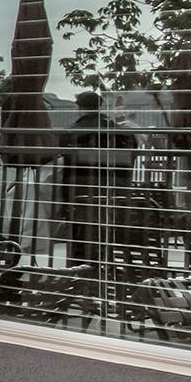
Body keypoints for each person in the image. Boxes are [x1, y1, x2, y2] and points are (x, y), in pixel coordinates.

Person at [55, 90, 138, 267]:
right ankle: (102, 268)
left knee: (79, 240)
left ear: (78, 108)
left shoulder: (72, 133)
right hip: (114, 195)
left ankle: (79, 274)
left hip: (81, 196)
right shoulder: (120, 134)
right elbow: (131, 155)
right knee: (105, 235)